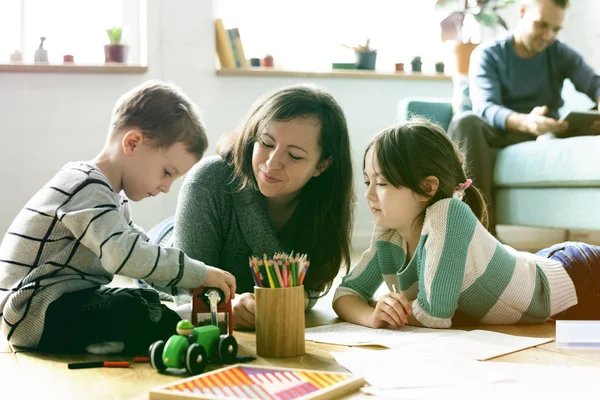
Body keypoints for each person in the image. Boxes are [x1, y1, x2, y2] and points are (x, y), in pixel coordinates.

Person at [0, 80, 236, 355]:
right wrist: (198, 273)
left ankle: (146, 329)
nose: (165, 187)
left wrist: (187, 284)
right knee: (133, 308)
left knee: (141, 299)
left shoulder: (111, 197)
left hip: (58, 305)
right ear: (132, 143)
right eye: (167, 173)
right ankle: (172, 325)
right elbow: (126, 256)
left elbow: (145, 253)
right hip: (33, 313)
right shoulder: (85, 186)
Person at [333, 118, 599, 329]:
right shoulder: (388, 233)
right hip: (546, 271)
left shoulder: (447, 214)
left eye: (381, 183)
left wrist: (388, 310)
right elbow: (345, 292)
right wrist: (372, 317)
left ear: (427, 188)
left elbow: (433, 316)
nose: (368, 195)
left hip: (580, 277)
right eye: (368, 182)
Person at [170, 84, 355, 330]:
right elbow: (186, 287)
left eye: (295, 156)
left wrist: (292, 300)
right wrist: (226, 305)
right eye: (266, 143)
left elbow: (311, 287)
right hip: (169, 244)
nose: (272, 163)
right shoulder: (207, 180)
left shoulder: (326, 203)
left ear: (322, 165)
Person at [447, 0, 600, 236]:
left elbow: (595, 84)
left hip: (548, 131)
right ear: (522, 12)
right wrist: (527, 121)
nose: (548, 35)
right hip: (500, 132)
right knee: (466, 122)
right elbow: (486, 107)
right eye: (542, 25)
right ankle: (481, 236)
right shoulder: (489, 54)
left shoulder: (559, 52)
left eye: (556, 29)